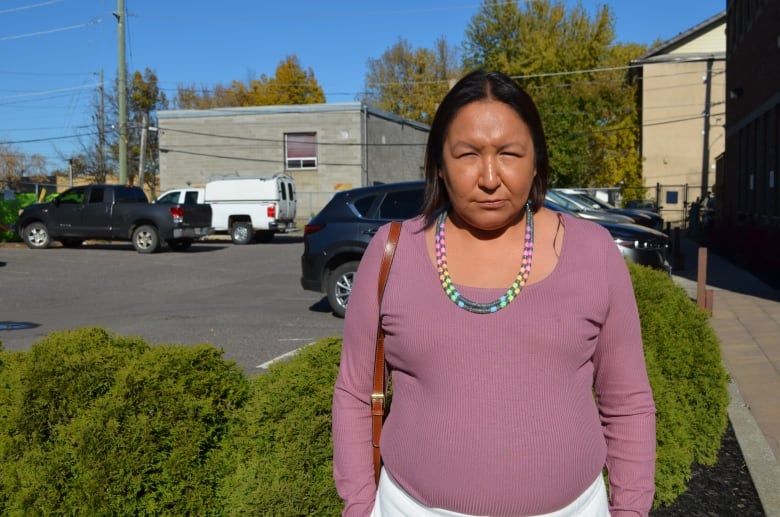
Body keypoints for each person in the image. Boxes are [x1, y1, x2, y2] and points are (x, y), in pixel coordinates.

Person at [332, 70, 656, 517]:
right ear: (439, 165)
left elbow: (628, 403)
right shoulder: (392, 253)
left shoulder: (593, 252)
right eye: (467, 154)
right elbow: (352, 390)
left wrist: (632, 510)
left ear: (536, 160)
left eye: (509, 153)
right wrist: (358, 505)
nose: (489, 177)